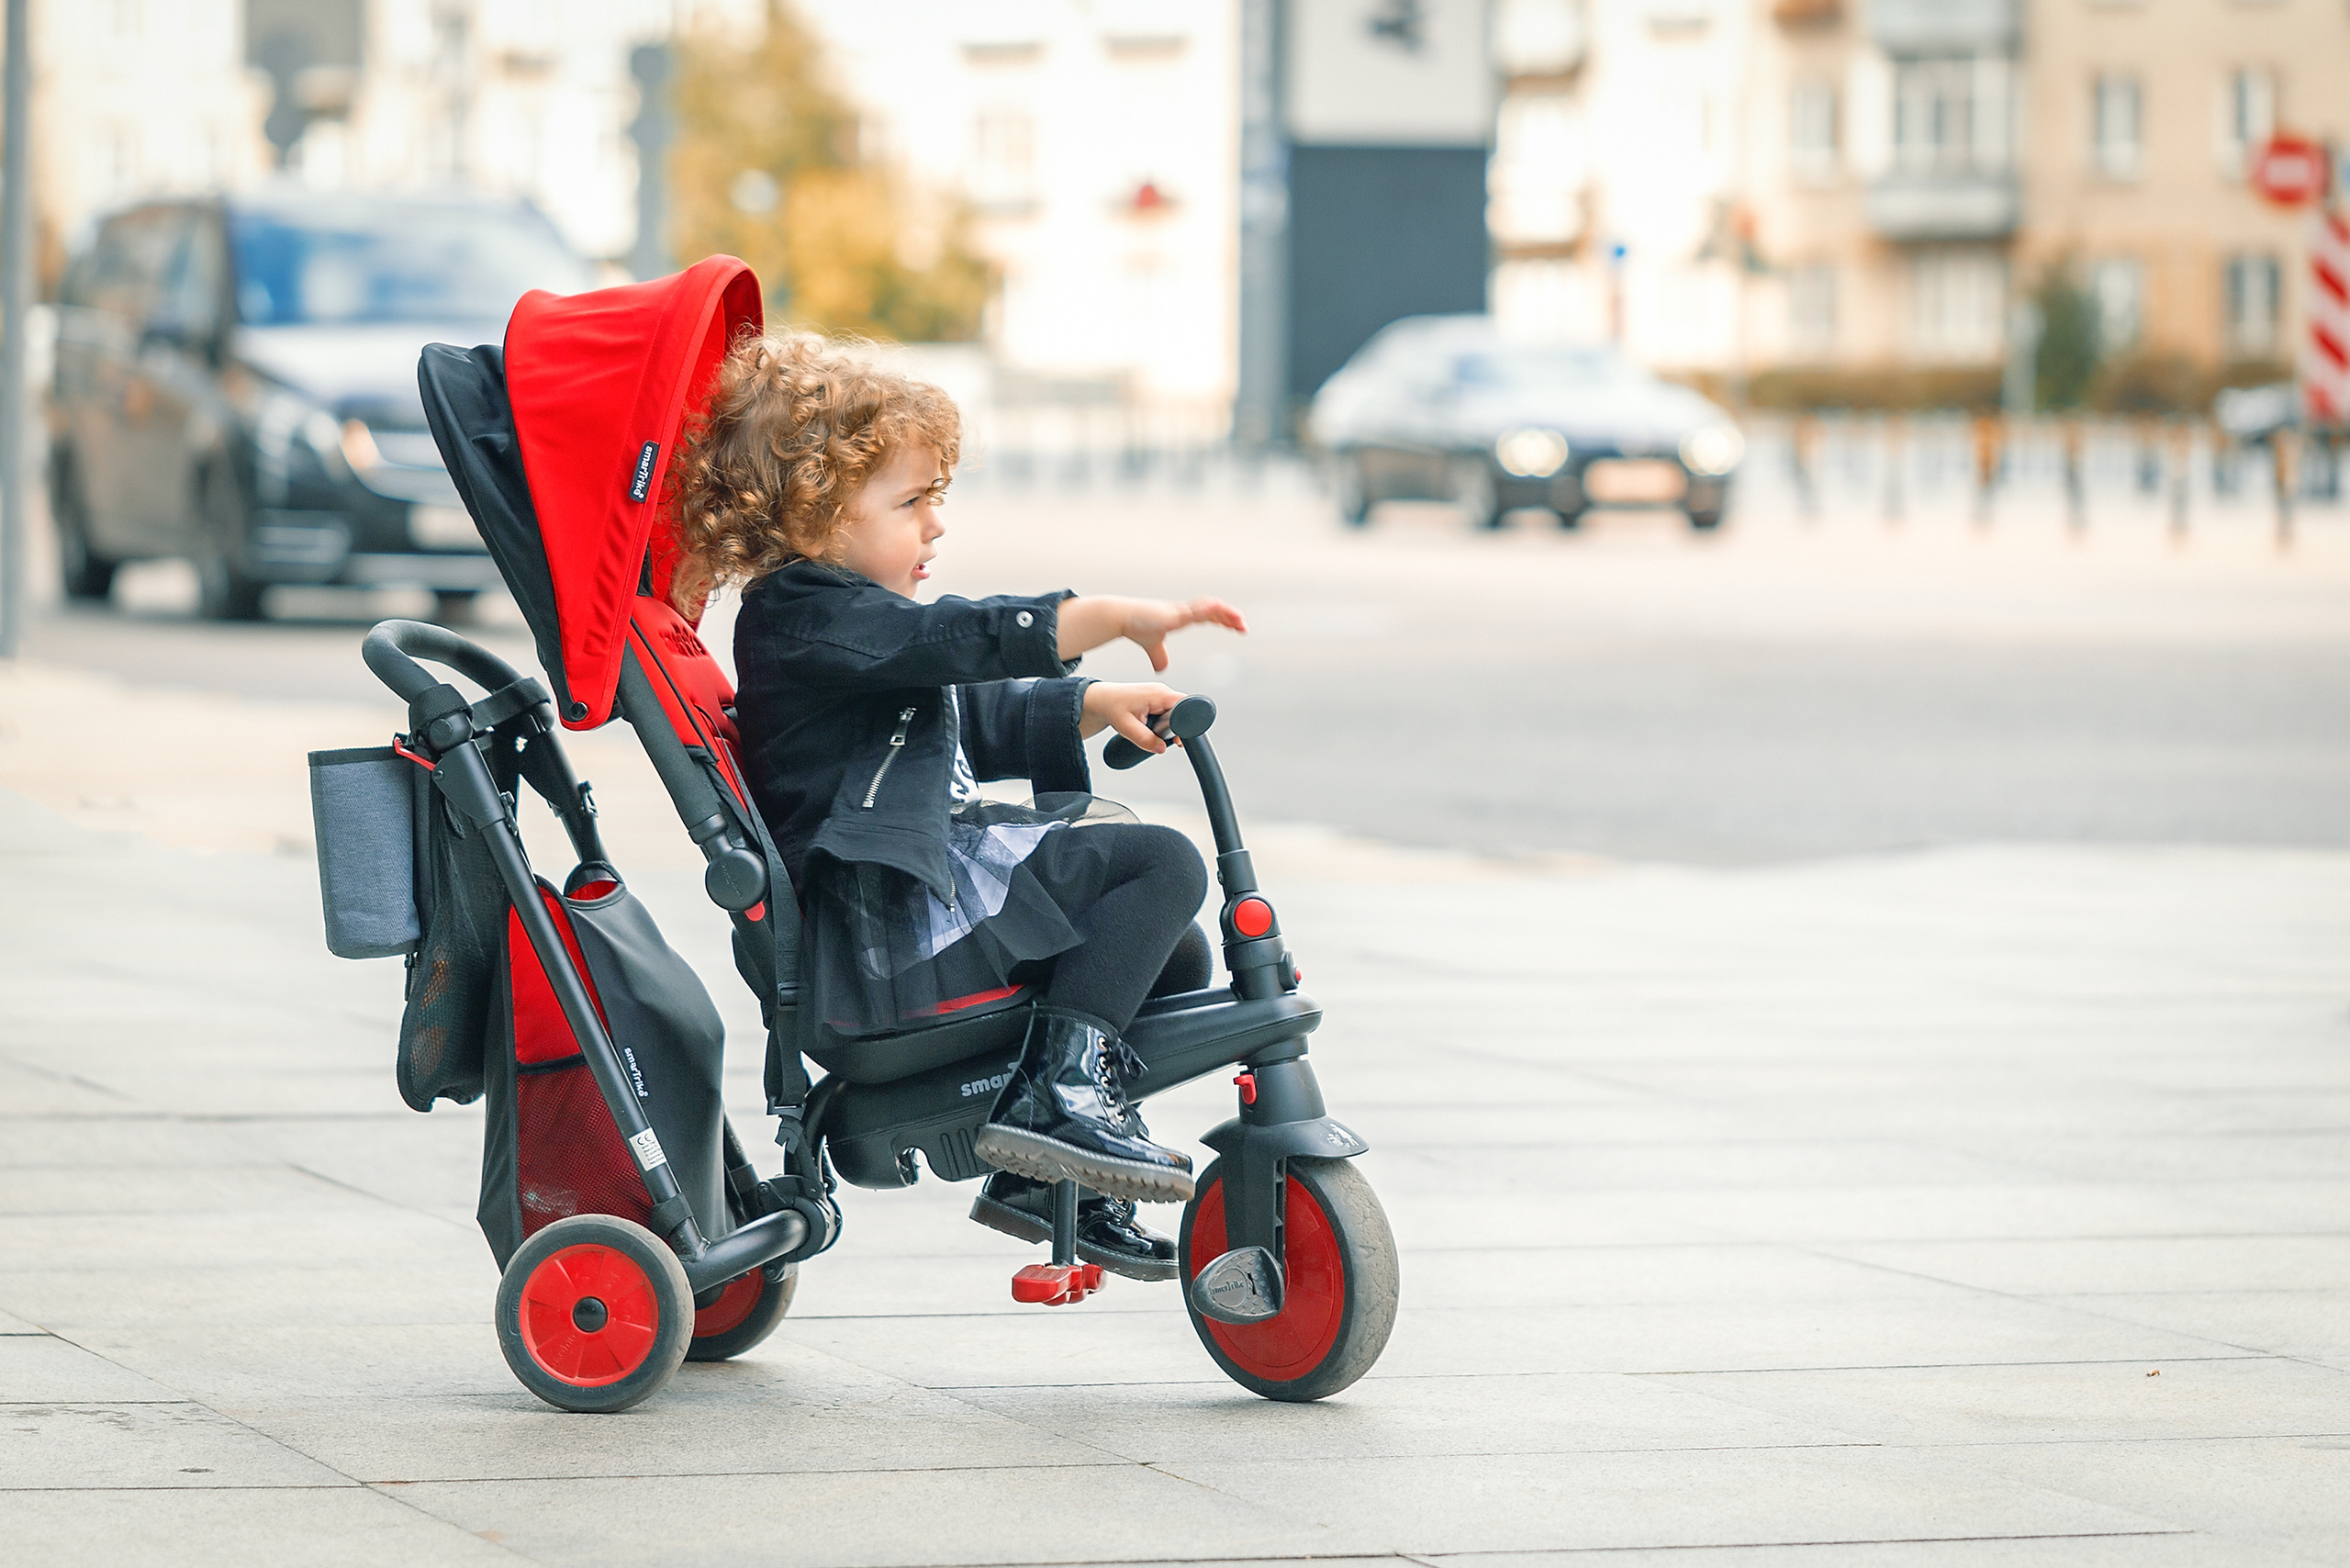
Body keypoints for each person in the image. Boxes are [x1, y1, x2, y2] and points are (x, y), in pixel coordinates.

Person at [668, 332, 1246, 1276]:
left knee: (1167, 951)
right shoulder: (807, 614)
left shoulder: (841, 630)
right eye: (910, 502)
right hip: (886, 951)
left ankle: (1045, 1167)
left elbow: (953, 720)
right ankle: (1053, 1103)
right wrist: (1101, 617)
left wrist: (1088, 702)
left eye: (936, 497)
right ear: (810, 515)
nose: (936, 524)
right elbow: (959, 641)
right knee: (1161, 864)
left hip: (905, 926)